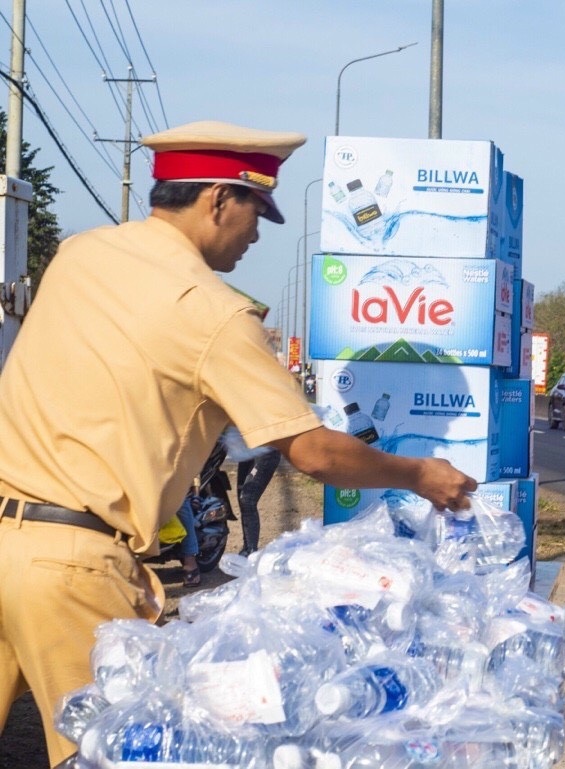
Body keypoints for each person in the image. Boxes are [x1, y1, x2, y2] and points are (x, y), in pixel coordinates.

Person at [0, 120, 476, 766]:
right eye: (255, 211)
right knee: (118, 751)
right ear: (219, 200)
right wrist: (419, 473)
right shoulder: (213, 312)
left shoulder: (79, 254)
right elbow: (310, 451)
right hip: (72, 568)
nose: (256, 234)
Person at [237, 448, 284, 556]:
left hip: (265, 451)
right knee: (242, 500)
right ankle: (247, 548)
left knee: (247, 499)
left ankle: (251, 551)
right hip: (247, 451)